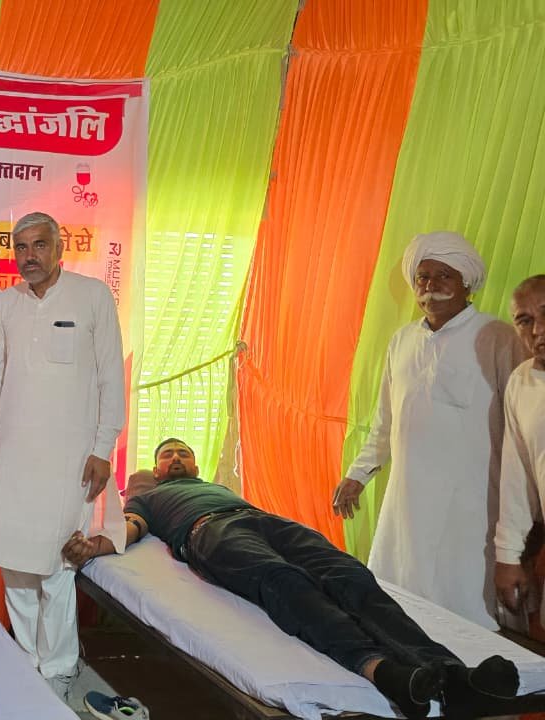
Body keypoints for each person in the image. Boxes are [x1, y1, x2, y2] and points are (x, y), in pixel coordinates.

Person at [66, 439, 521, 720]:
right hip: (208, 532)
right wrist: (93, 547)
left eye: (183, 452)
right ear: (155, 471)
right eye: (168, 455)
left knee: (351, 577)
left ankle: (453, 676)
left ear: (196, 465)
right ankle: (382, 671)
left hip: (264, 519)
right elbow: (128, 531)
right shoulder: (148, 498)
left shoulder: (220, 487)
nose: (177, 458)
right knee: (284, 581)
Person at [0, 211, 126, 698]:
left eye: (39, 245)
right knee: (14, 562)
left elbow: (111, 377)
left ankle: (58, 669)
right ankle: (28, 662)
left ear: (59, 249)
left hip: (69, 458)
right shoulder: (7, 302)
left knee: (57, 564)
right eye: (21, 247)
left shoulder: (93, 295)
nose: (29, 256)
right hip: (13, 455)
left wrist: (103, 448)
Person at [335, 231, 525, 629]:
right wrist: (358, 474)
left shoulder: (497, 337)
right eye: (423, 276)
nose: (430, 285)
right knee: (398, 600)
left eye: (444, 276)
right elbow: (385, 421)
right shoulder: (402, 340)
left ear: (467, 283)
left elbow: (523, 420)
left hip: (471, 502)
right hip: (407, 499)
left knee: (466, 607)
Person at [493, 275, 545, 617]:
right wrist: (509, 556)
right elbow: (518, 478)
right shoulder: (521, 382)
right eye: (525, 321)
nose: (538, 330)